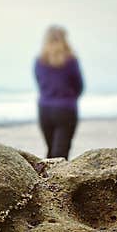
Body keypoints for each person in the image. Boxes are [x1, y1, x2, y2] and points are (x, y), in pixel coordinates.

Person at [34, 25, 84, 159]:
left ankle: (46, 179)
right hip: (65, 109)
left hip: (45, 109)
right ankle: (58, 180)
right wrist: (69, 98)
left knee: (51, 151)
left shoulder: (39, 61)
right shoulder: (71, 61)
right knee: (61, 154)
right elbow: (79, 85)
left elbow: (40, 83)